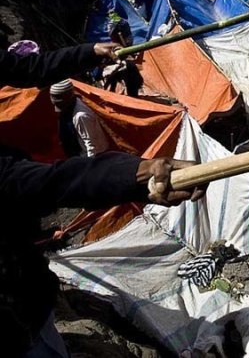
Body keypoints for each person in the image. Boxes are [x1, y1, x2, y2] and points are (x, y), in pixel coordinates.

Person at [0, 42, 205, 356]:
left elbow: (31, 70)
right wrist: (135, 175)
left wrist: (132, 175)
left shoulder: (81, 116)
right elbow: (49, 181)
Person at [50, 79, 110, 157]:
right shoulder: (69, 107)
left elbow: (92, 145)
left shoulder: (81, 116)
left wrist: (89, 165)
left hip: (88, 155)